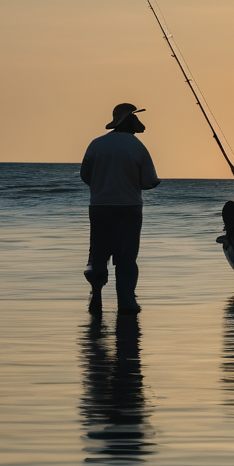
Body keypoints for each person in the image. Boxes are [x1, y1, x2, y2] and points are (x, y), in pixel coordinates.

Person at [80, 103, 161, 315]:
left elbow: (85, 175)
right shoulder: (137, 147)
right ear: (129, 120)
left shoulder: (96, 144)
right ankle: (126, 301)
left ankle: (96, 296)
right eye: (135, 117)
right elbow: (150, 181)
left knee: (98, 253)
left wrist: (102, 186)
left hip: (99, 207)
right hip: (129, 208)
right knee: (127, 257)